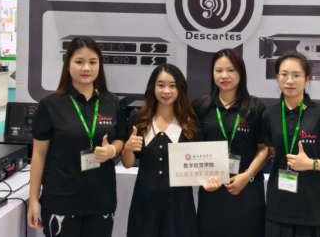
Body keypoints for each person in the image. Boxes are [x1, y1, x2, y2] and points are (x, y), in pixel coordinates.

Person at [28, 36, 126, 237]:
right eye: (79, 61)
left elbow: (121, 138)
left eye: (93, 62)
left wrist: (112, 150)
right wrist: (33, 199)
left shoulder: (112, 102)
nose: (86, 68)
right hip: (60, 201)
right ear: (67, 64)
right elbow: (39, 154)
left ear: (99, 65)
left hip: (101, 201)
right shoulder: (50, 104)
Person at [262, 52, 320, 237]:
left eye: (296, 75)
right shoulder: (269, 115)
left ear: (306, 79)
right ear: (277, 78)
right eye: (284, 74)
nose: (289, 80)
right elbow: (275, 154)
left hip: (313, 209)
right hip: (279, 207)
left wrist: (311, 164)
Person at [193, 48, 268, 237]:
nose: (224, 76)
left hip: (247, 191)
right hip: (212, 192)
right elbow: (193, 149)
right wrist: (203, 178)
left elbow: (264, 149)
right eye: (219, 70)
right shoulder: (201, 106)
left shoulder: (255, 107)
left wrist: (247, 175)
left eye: (231, 70)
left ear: (241, 73)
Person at [122, 63, 200, 237]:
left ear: (180, 89)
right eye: (161, 85)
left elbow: (199, 161)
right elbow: (128, 163)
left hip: (180, 205)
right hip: (144, 203)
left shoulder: (190, 121)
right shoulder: (139, 118)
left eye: (172, 86)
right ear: (153, 87)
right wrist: (127, 149)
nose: (166, 91)